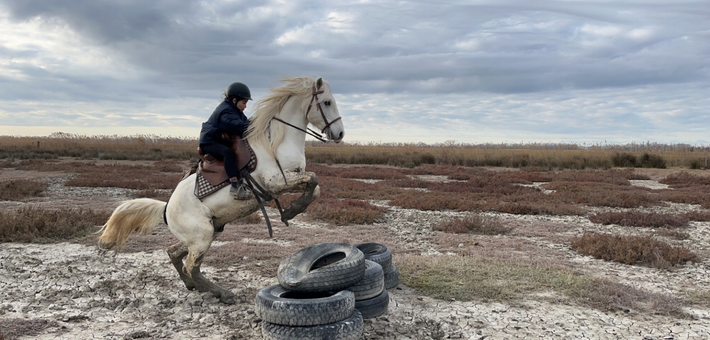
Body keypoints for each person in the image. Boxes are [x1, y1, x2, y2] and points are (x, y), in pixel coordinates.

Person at [199, 82, 253, 200]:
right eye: (244, 102)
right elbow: (241, 127)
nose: (245, 106)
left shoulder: (236, 111)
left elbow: (247, 123)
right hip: (209, 142)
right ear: (235, 100)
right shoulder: (225, 111)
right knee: (227, 153)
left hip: (219, 140)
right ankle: (234, 186)